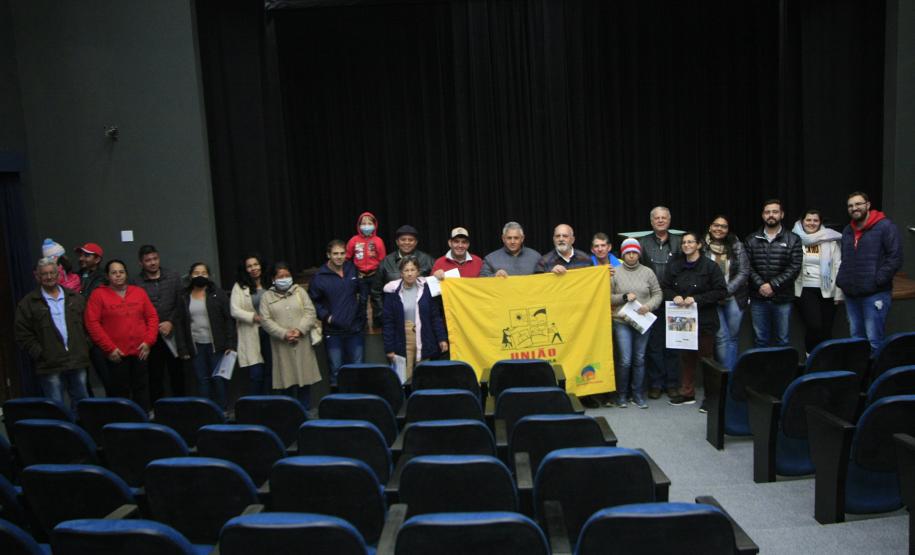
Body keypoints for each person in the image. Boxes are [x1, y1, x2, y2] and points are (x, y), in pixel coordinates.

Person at [15, 257, 91, 412]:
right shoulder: (28, 303)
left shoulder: (75, 298)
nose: (49, 277)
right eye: (44, 274)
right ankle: (61, 434)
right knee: (56, 406)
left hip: (77, 358)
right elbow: (23, 334)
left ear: (58, 275)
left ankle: (83, 432)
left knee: (83, 402)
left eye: (52, 273)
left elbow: (89, 325)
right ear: (37, 276)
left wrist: (85, 345)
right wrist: (40, 353)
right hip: (49, 363)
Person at [662, 232, 727, 408]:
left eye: (691, 242)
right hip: (682, 321)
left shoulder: (710, 266)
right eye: (684, 242)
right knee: (686, 359)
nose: (687, 245)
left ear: (698, 245)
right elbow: (665, 287)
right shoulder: (674, 266)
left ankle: (711, 398)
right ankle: (687, 393)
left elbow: (721, 291)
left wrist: (697, 299)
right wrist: (673, 296)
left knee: (707, 359)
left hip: (705, 319)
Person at [84, 259, 159, 411]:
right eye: (114, 273)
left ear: (126, 274)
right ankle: (123, 423)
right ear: (107, 276)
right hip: (116, 354)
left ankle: (144, 420)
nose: (118, 275)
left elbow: (152, 317)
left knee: (142, 389)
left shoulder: (138, 292)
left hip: (140, 351)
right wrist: (109, 348)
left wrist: (148, 342)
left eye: (121, 272)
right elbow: (92, 323)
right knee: (119, 391)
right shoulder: (99, 295)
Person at [836, 191, 903, 351]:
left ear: (868, 205)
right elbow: (845, 258)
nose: (854, 208)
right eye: (850, 206)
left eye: (858, 204)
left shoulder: (885, 226)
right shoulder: (847, 230)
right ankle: (861, 376)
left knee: (874, 341)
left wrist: (877, 280)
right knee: (856, 341)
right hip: (852, 294)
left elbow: (895, 258)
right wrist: (843, 280)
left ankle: (875, 376)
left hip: (875, 294)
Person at [259, 262, 322, 410]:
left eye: (287, 275)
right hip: (282, 345)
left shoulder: (300, 291)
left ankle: (306, 412)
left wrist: (299, 330)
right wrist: (284, 333)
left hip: (302, 342)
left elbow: (310, 312)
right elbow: (265, 320)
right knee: (286, 383)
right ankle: (290, 414)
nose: (285, 278)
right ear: (273, 279)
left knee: (304, 382)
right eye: (280, 276)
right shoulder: (266, 297)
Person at [174, 263, 236, 411]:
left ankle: (223, 411)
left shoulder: (218, 294)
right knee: (202, 380)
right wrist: (182, 347)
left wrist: (230, 344)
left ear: (209, 275)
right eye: (196, 273)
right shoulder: (183, 296)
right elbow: (179, 323)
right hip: (196, 346)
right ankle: (206, 411)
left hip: (217, 346)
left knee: (218, 379)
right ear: (190, 276)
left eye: (203, 272)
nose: (200, 275)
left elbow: (228, 319)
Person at [609, 239, 662, 409]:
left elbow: (658, 293)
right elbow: (607, 297)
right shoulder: (614, 272)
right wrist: (624, 297)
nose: (631, 255)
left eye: (634, 252)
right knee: (625, 359)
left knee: (639, 358)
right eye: (628, 252)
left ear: (639, 253)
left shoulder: (648, 272)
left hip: (642, 321)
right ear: (623, 254)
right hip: (621, 321)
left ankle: (638, 394)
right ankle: (622, 395)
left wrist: (649, 306)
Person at [745, 199, 802, 347]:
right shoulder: (751, 239)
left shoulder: (793, 239)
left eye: (775, 212)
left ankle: (782, 371)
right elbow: (747, 266)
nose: (771, 215)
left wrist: (773, 285)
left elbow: (795, 267)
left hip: (783, 298)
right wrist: (761, 285)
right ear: (763, 215)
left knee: (782, 340)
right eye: (767, 212)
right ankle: (763, 370)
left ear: (782, 215)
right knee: (760, 340)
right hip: (758, 297)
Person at [639, 206, 682, 400]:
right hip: (651, 303)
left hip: (675, 301)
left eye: (664, 218)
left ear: (669, 220)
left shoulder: (680, 242)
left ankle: (672, 384)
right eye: (657, 218)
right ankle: (656, 384)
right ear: (651, 221)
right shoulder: (642, 243)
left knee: (674, 344)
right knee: (654, 346)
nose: (661, 221)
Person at [131, 244, 185, 399]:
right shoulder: (135, 282)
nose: (153, 262)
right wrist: (151, 328)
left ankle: (182, 406)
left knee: (177, 373)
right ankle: (158, 408)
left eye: (155, 258)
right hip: (150, 336)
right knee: (154, 374)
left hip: (173, 333)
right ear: (141, 263)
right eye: (148, 260)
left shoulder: (173, 277)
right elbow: (135, 310)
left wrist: (170, 322)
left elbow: (180, 304)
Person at [309, 239, 366, 386]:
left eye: (342, 253)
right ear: (328, 255)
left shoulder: (352, 269)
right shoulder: (319, 277)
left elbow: (362, 291)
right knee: (336, 370)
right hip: (333, 332)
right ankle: (338, 405)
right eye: (335, 254)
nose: (339, 257)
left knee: (358, 369)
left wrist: (360, 313)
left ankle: (359, 403)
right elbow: (313, 302)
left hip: (355, 329)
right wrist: (327, 317)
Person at [382, 256, 448, 380]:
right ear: (401, 273)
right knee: (403, 379)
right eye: (406, 270)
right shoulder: (392, 292)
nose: (410, 273)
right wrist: (389, 348)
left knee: (424, 378)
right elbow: (388, 322)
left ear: (418, 271)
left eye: (413, 270)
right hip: (402, 339)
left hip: (424, 337)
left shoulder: (427, 289)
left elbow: (435, 317)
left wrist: (442, 338)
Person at [792, 209, 844, 355]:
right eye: (808, 220)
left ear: (820, 222)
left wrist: (839, 294)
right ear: (802, 222)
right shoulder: (794, 239)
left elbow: (838, 266)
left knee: (826, 330)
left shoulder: (830, 239)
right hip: (804, 289)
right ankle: (811, 359)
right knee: (814, 326)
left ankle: (825, 362)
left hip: (828, 290)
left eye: (815, 220)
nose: (811, 223)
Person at [704, 215, 750, 370]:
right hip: (712, 299)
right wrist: (716, 294)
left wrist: (726, 291)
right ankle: (725, 376)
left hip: (734, 298)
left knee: (732, 337)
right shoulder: (702, 246)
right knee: (721, 337)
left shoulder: (737, 245)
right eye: (716, 225)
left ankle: (730, 377)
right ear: (710, 227)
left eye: (723, 226)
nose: (719, 229)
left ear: (727, 229)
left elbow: (744, 272)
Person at [230, 254, 273, 395]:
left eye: (256, 264)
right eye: (249, 266)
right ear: (245, 269)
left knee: (270, 371)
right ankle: (254, 405)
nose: (253, 268)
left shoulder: (270, 283)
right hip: (251, 332)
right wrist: (253, 317)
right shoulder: (239, 286)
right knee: (256, 374)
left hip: (270, 332)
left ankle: (268, 403)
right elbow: (234, 310)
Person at [373, 225, 434, 320]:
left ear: (416, 242)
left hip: (422, 316)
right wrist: (383, 314)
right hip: (395, 316)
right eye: (403, 239)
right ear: (397, 242)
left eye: (411, 240)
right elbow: (376, 292)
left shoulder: (428, 260)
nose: (407, 242)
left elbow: (435, 289)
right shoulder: (386, 261)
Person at [75, 241, 110, 393]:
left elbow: (88, 301)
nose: (82, 258)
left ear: (97, 259)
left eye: (86, 255)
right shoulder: (76, 276)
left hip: (97, 333)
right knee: (81, 378)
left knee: (106, 374)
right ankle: (88, 410)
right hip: (79, 333)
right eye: (81, 255)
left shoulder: (103, 278)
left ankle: (116, 409)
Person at [346, 211, 386, 327]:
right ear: (359, 226)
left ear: (374, 225)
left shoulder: (378, 241)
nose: (366, 226)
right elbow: (347, 257)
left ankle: (378, 323)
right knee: (362, 300)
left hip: (375, 275)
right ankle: (362, 323)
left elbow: (383, 260)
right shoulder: (354, 240)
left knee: (376, 300)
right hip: (360, 275)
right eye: (363, 223)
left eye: (369, 223)